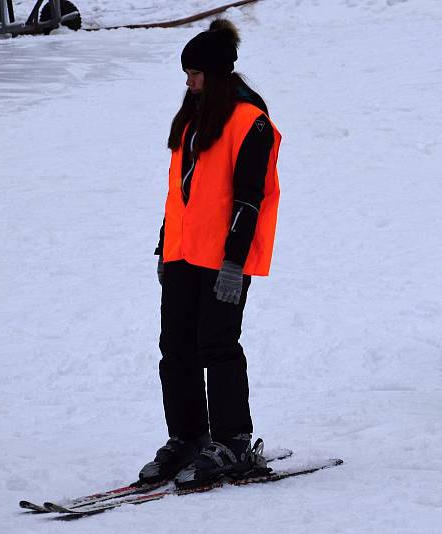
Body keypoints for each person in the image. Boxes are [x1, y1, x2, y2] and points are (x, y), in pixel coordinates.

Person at [138, 19, 281, 490]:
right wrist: (164, 245)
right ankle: (188, 436)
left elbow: (249, 197)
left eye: (195, 72)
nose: (189, 80)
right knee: (174, 348)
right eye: (187, 73)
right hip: (182, 254)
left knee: (216, 346)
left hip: (224, 259)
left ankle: (233, 440)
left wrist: (235, 262)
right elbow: (178, 194)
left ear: (218, 72)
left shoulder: (249, 121)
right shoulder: (193, 119)